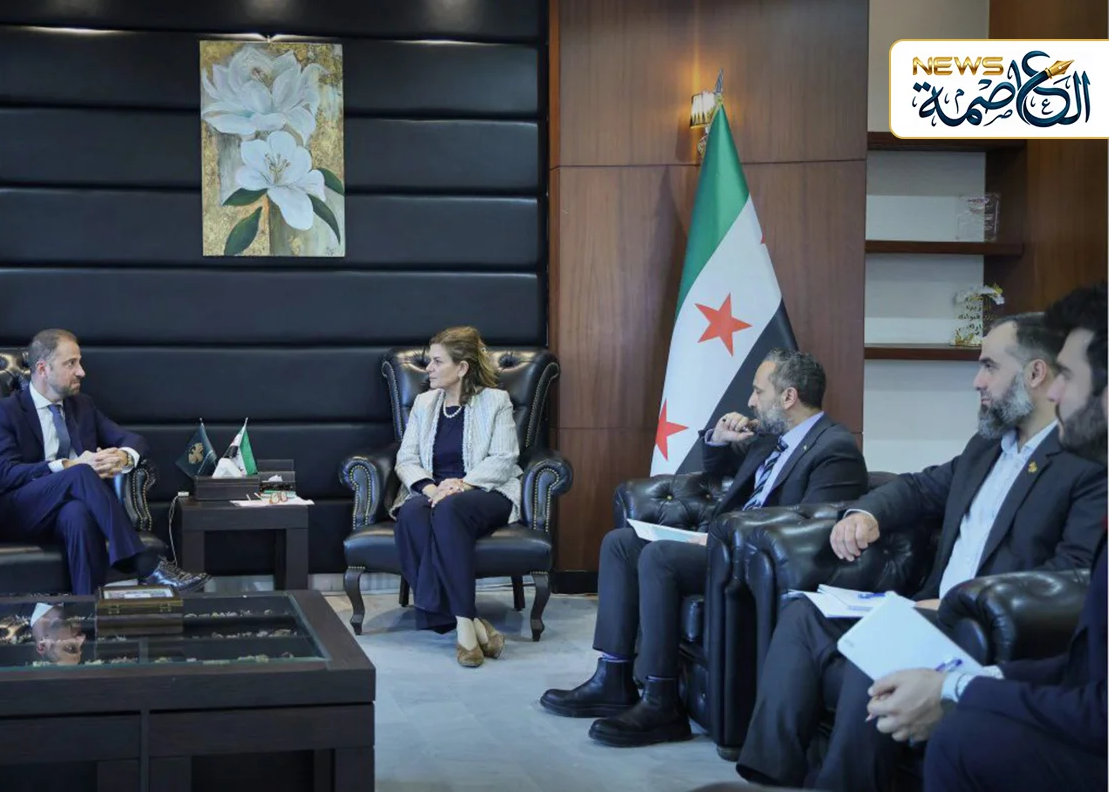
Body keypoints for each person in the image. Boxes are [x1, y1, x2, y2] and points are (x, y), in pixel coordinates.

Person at [736, 311, 1107, 792]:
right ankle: (770, 776)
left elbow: (1072, 574)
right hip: (925, 610)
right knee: (802, 614)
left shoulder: (1083, 464)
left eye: (989, 366)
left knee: (883, 644)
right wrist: (865, 514)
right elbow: (917, 488)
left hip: (984, 627)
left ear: (1035, 374)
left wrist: (956, 603)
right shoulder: (985, 448)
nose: (976, 381)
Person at [540, 348, 869, 747]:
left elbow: (809, 530)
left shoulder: (834, 449)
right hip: (725, 547)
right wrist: (719, 438)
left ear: (788, 397)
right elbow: (720, 471)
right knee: (621, 543)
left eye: (758, 391)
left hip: (757, 563)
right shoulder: (773, 439)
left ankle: (661, 702)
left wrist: (724, 536)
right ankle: (614, 676)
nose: (751, 401)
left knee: (660, 557)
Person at [866, 282, 1107, 792]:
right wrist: (958, 685)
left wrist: (957, 687)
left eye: (1067, 376)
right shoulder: (985, 447)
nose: (1055, 394)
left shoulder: (1084, 473)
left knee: (962, 738)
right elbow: (1085, 671)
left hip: (997, 628)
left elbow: (1096, 702)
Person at [0, 329, 208, 595]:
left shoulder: (82, 407)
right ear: (42, 369)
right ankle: (143, 563)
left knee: (77, 515)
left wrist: (123, 456)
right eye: (71, 364)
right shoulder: (3, 411)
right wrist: (68, 466)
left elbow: (133, 440)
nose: (81, 372)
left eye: (79, 362)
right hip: (17, 512)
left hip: (66, 511)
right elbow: (3, 473)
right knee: (81, 473)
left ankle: (86, 610)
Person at [392, 326, 522, 668]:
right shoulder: (424, 403)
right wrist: (432, 488)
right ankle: (471, 622)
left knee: (449, 510)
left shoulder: (496, 401)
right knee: (411, 514)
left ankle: (463, 626)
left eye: (437, 361)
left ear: (462, 367)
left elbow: (504, 458)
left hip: (486, 491)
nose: (429, 368)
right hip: (435, 492)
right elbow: (406, 459)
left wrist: (462, 484)